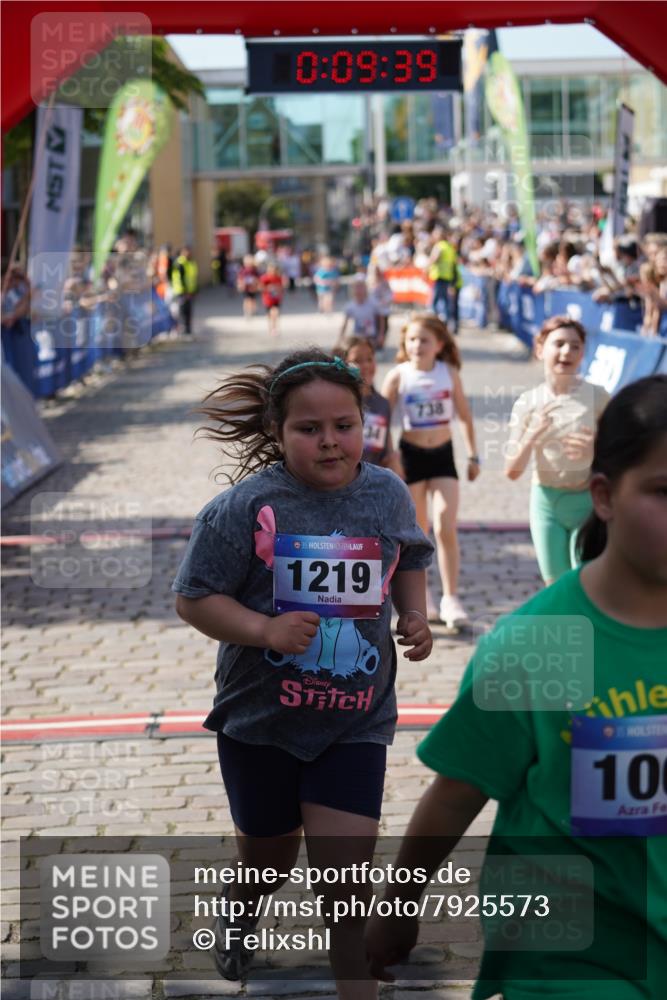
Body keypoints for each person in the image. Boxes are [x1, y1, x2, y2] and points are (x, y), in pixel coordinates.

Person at [365, 374, 667, 1000]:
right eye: (664, 492)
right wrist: (399, 904)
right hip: (578, 956)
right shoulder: (546, 643)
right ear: (604, 496)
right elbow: (457, 794)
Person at [173, 348, 434, 997]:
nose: (329, 442)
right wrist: (263, 629)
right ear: (277, 431)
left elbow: (406, 555)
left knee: (344, 881)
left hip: (354, 720)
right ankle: (240, 910)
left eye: (344, 425)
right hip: (260, 719)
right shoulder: (245, 507)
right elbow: (194, 596)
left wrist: (414, 614)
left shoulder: (385, 491)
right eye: (308, 429)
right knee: (267, 856)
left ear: (364, 423)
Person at [382, 313, 480, 627]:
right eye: (411, 339)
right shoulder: (398, 375)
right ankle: (423, 596)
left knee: (444, 523)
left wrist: (474, 456)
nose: (417, 345)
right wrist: (389, 455)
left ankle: (451, 597)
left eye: (424, 340)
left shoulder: (448, 373)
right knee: (419, 531)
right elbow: (379, 420)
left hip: (442, 455)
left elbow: (464, 416)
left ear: (439, 344)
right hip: (410, 455)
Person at [505, 316, 609, 585]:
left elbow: (623, 456)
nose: (566, 352)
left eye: (575, 346)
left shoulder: (598, 397)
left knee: (588, 583)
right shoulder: (527, 402)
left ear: (583, 353)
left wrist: (596, 449)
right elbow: (512, 471)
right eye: (559, 343)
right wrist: (532, 434)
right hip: (547, 505)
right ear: (540, 348)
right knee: (556, 585)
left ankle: (596, 629)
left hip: (587, 502)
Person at [339, 336, 402, 478]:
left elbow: (387, 449)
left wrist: (393, 460)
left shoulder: (383, 404)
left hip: (373, 485)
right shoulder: (336, 404)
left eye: (369, 359)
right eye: (357, 361)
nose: (366, 365)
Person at [427, 225, 458, 327]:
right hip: (447, 277)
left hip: (439, 276)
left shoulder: (439, 246)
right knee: (445, 301)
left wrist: (427, 267)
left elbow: (434, 259)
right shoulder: (449, 247)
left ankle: (435, 323)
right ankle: (447, 322)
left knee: (435, 301)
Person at [339, 277, 380, 343]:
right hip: (358, 336)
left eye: (361, 288)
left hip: (371, 336)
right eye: (357, 288)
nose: (359, 290)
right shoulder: (350, 306)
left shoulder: (373, 302)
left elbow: (380, 318)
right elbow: (345, 323)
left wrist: (381, 335)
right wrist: (341, 337)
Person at [170, 246, 198, 336]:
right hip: (182, 292)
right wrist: (185, 291)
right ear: (183, 252)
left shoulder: (191, 262)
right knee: (182, 311)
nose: (189, 253)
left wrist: (195, 290)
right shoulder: (180, 263)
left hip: (190, 291)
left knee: (189, 311)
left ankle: (188, 329)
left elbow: (193, 277)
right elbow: (180, 278)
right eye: (187, 252)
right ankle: (181, 329)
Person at [259, 262, 284, 336]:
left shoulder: (278, 277)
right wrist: (268, 288)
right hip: (268, 299)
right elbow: (260, 287)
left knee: (275, 313)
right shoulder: (264, 278)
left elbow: (281, 287)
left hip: (276, 298)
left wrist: (278, 290)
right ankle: (271, 328)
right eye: (270, 270)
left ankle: (275, 328)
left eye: (273, 270)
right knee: (270, 315)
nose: (272, 272)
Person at [236, 254, 260, 319]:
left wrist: (257, 284)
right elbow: (239, 278)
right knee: (246, 300)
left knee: (252, 299)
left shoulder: (254, 270)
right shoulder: (242, 270)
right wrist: (240, 285)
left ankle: (253, 310)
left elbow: (258, 278)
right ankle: (247, 311)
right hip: (246, 287)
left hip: (253, 287)